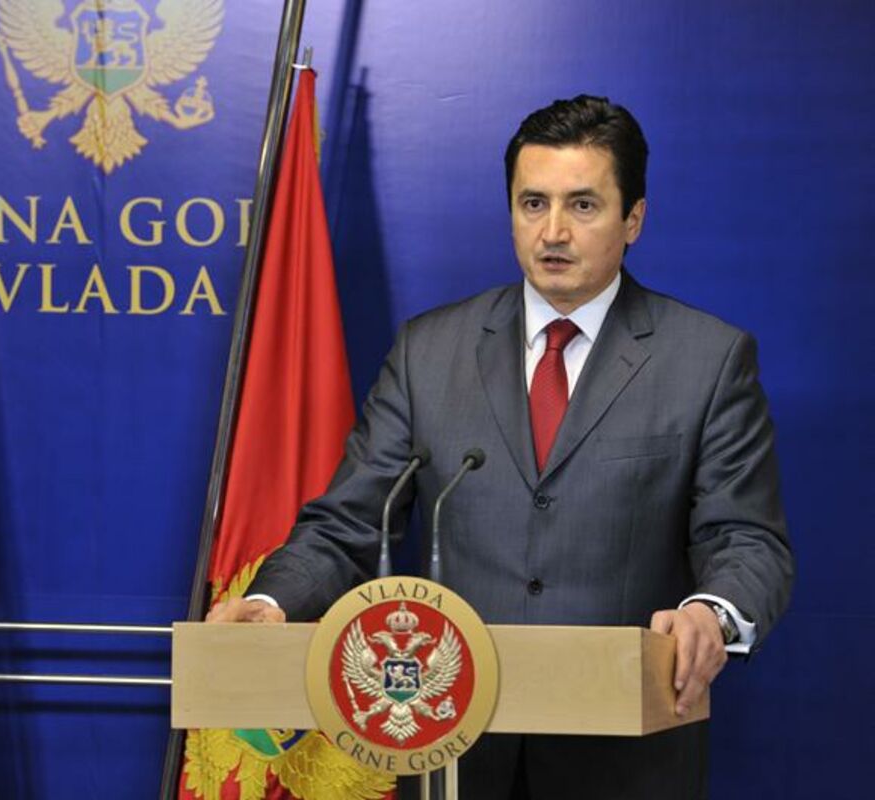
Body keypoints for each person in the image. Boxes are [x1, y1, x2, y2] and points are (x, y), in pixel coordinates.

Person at [208, 95, 794, 799]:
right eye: (532, 203)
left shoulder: (707, 359)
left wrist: (711, 614)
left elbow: (747, 540)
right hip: (455, 751)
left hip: (625, 761)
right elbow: (350, 523)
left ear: (634, 218)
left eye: (583, 205)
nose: (553, 232)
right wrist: (272, 602)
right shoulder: (428, 352)